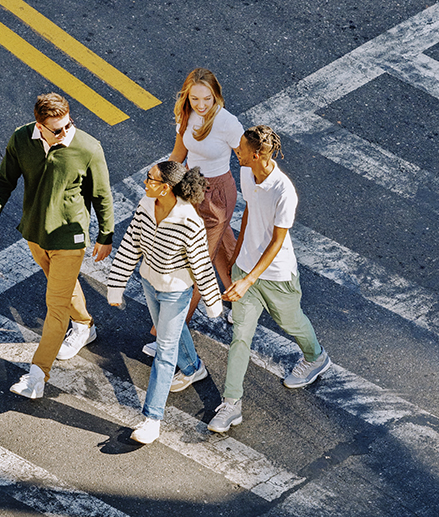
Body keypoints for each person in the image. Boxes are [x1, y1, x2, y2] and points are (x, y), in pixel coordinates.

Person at [0, 92, 114, 400]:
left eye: (68, 125)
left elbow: (102, 196)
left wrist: (106, 235)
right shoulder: (21, 140)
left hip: (70, 238)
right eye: (57, 129)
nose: (65, 133)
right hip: (35, 235)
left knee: (55, 307)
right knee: (63, 288)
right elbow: (3, 182)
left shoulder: (87, 148)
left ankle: (37, 375)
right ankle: (85, 325)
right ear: (39, 126)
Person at [208, 125, 330, 434]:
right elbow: (249, 207)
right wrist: (237, 256)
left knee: (291, 323)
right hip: (247, 270)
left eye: (241, 151)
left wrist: (248, 279)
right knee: (240, 339)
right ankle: (231, 404)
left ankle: (315, 357)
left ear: (259, 154)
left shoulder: (283, 190)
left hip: (276, 277)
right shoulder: (248, 174)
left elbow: (277, 242)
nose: (236, 153)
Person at [105, 161, 222, 444]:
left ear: (166, 187)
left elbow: (201, 265)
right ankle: (194, 368)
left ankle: (151, 419)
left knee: (165, 351)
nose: (145, 182)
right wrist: (116, 287)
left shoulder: (189, 221)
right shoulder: (146, 205)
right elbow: (131, 244)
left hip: (175, 290)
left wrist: (211, 301)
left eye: (150, 179)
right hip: (148, 282)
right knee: (171, 330)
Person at [142, 68, 243, 353]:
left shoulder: (227, 123)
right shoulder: (186, 116)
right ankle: (241, 299)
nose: (201, 105)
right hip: (191, 187)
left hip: (218, 197)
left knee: (195, 262)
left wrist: (259, 194)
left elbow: (245, 158)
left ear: (216, 96)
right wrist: (162, 187)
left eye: (207, 99)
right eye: (195, 98)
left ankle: (168, 336)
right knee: (223, 247)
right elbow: (178, 155)